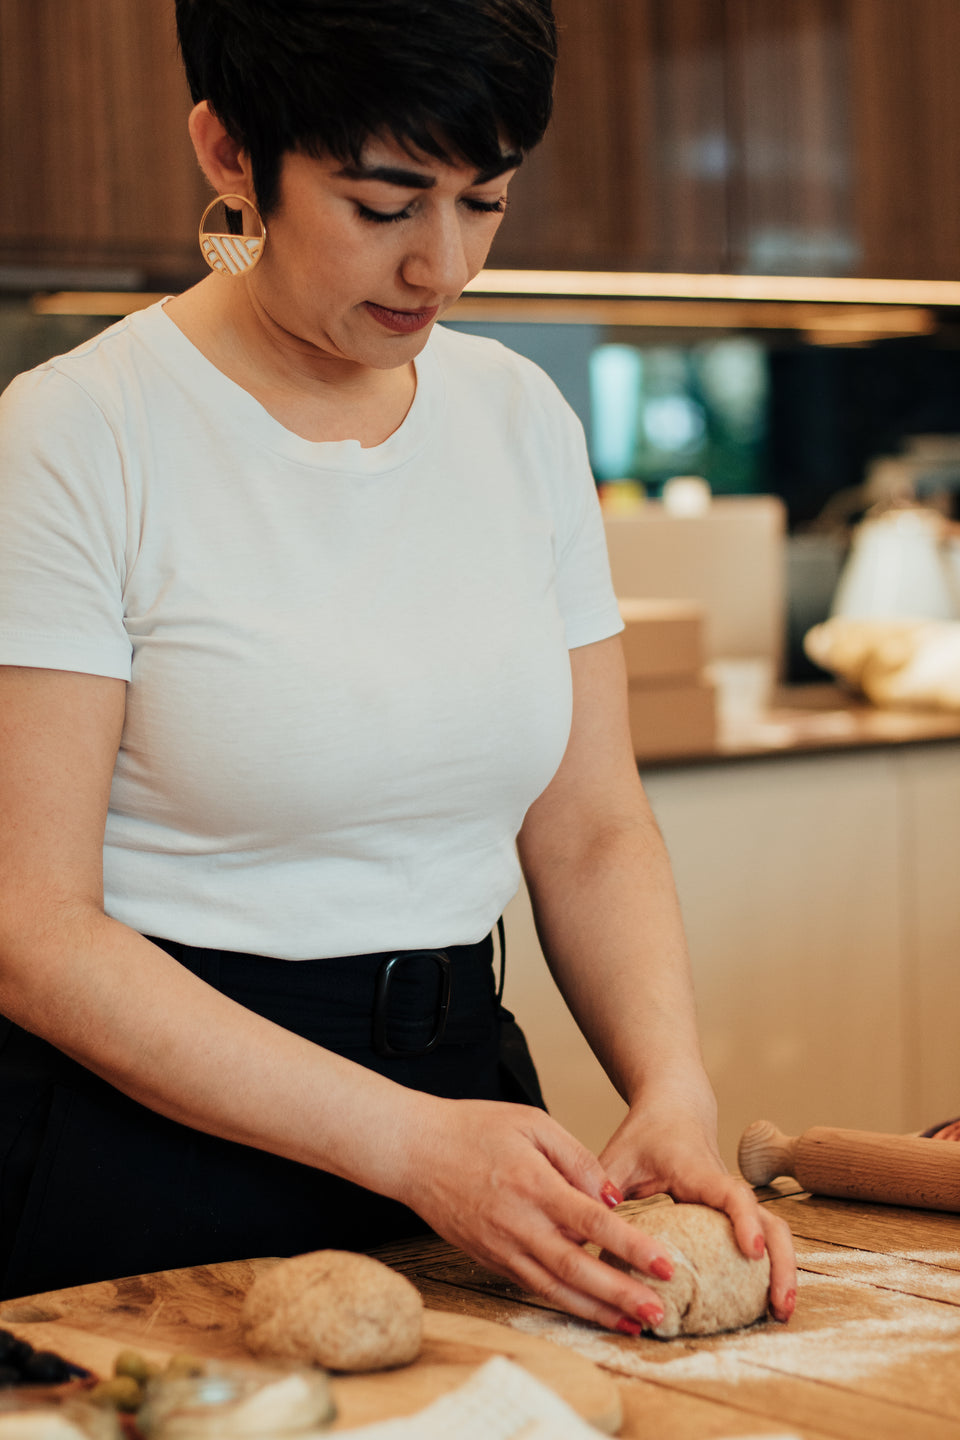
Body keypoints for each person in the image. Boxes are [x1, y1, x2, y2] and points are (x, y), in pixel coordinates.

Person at [0, 0, 795, 1327]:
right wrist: (410, 1145)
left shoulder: (518, 422)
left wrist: (670, 1087)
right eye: (384, 205)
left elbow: (591, 825)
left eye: (484, 201)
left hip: (474, 1106)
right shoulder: (77, 435)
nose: (445, 266)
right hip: (142, 1151)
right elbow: (35, 932)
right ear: (230, 152)